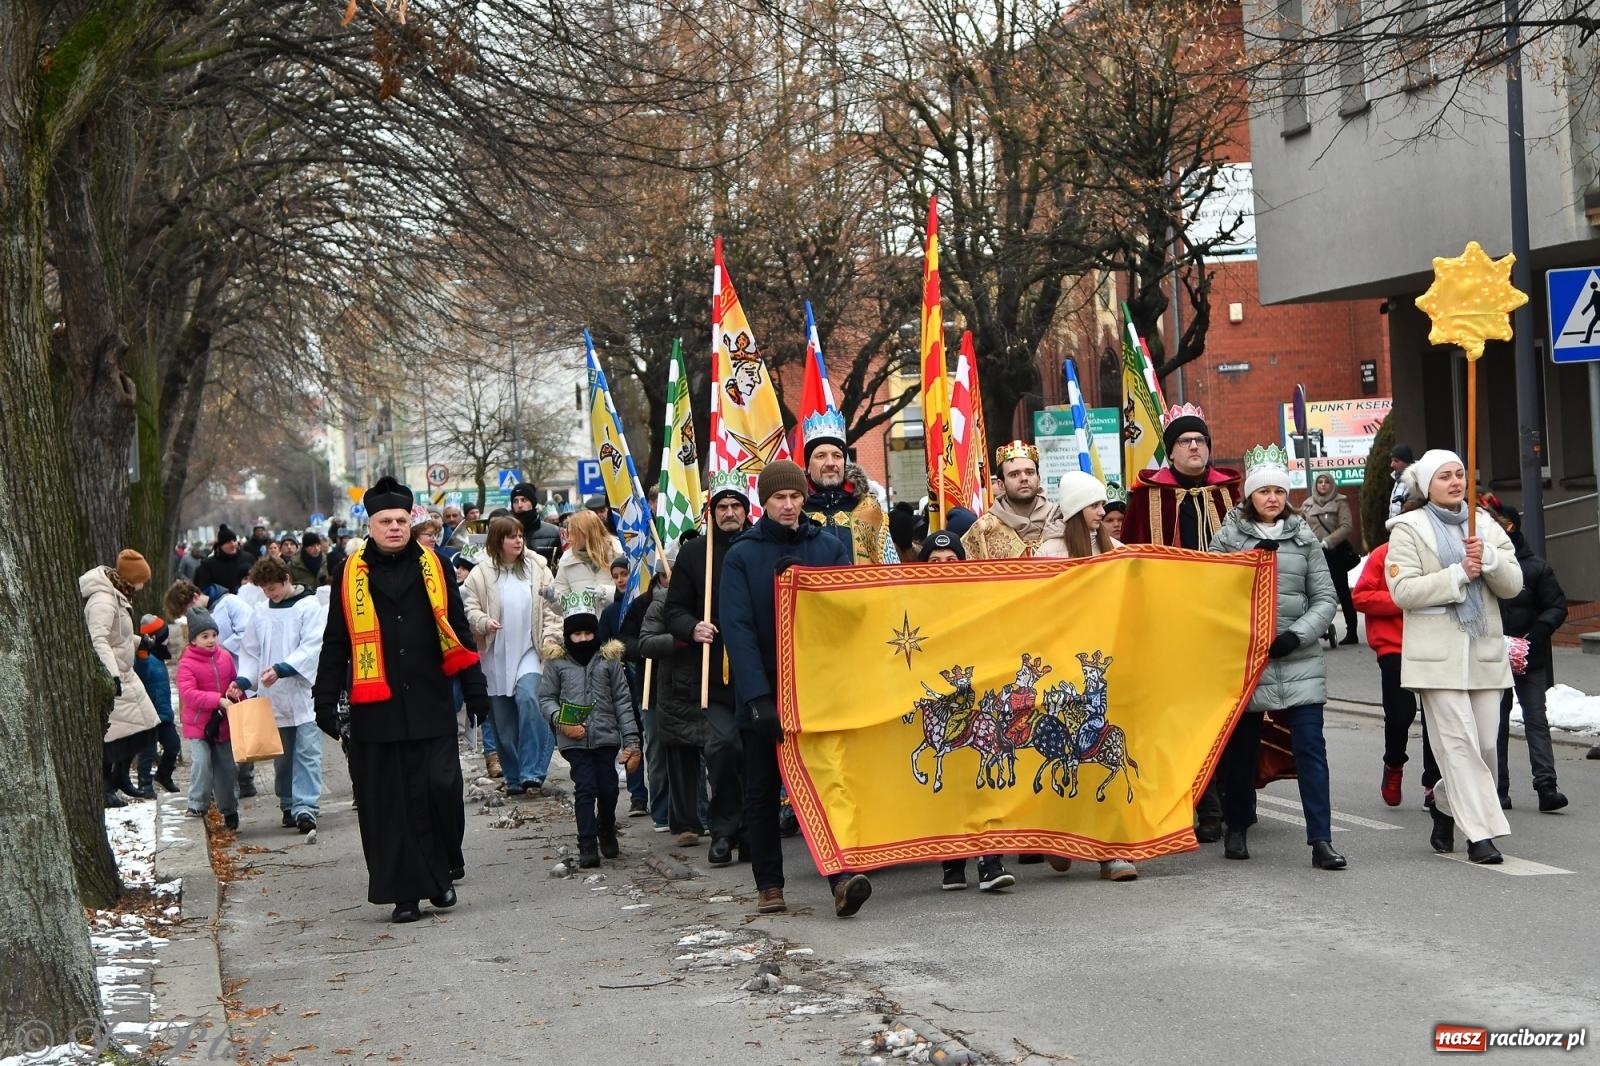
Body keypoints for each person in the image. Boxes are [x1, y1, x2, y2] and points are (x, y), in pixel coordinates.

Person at [313, 476, 490, 923]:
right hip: (378, 708)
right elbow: (336, 639)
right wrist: (324, 697)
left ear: (410, 522)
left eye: (400, 520)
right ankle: (405, 894)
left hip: (430, 701)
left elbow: (458, 629)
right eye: (385, 521)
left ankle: (443, 870)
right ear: (370, 526)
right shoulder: (349, 573)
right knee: (389, 805)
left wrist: (475, 688)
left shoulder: (435, 565)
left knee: (440, 789)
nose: (394, 527)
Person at [720, 460, 866, 917]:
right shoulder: (741, 555)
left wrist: (809, 583)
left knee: (828, 783)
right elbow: (738, 629)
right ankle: (769, 884)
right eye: (779, 497)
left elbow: (852, 611)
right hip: (764, 689)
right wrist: (757, 697)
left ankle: (841, 877)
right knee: (762, 790)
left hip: (816, 687)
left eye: (795, 496)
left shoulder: (828, 546)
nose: (788, 505)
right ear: (764, 502)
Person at [1208, 445, 1346, 871]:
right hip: (1249, 662)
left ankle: (1321, 840)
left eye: (1279, 491)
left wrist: (1297, 635)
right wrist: (1246, 634)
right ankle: (1236, 826)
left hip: (1298, 658)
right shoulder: (1228, 539)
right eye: (1264, 491)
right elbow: (1210, 597)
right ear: (1250, 495)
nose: (1272, 498)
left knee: (1311, 750)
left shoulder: (1304, 539)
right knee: (1242, 752)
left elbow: (1325, 598)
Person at [1386, 449, 1522, 865]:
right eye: (1444, 476)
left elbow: (1513, 585)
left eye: (1459, 474)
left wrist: (1490, 559)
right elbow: (1403, 591)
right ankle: (1480, 836)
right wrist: (1458, 573)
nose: (1455, 482)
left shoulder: (1485, 525)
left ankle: (1444, 805)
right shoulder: (1409, 528)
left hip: (1483, 652)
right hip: (1436, 659)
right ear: (1428, 485)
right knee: (1459, 744)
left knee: (1485, 747)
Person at [1121, 404, 1241, 843]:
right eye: (1185, 442)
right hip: (1169, 629)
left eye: (1200, 441)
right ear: (1170, 453)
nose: (1194, 447)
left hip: (1222, 626)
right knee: (1180, 718)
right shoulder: (1146, 498)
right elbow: (1129, 562)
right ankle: (1201, 803)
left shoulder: (1230, 495)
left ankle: (1231, 799)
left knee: (1224, 714)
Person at [1044, 472, 1141, 882]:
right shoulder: (1048, 554)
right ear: (1075, 510)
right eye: (1095, 505)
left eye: (1102, 504)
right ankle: (1059, 838)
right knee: (1063, 754)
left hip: (1106, 669)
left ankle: (1111, 852)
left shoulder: (1114, 550)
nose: (1103, 512)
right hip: (1063, 673)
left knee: (1105, 755)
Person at [920, 530, 1016, 893]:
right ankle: (952, 861)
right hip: (937, 708)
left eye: (951, 560)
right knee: (949, 786)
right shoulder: (909, 608)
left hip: (974, 704)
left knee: (983, 780)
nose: (944, 567)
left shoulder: (982, 602)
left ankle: (990, 860)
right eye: (935, 562)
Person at [666, 471, 752, 866]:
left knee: (755, 753)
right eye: (723, 506)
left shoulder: (759, 546)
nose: (729, 513)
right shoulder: (694, 553)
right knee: (723, 748)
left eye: (736, 506)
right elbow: (674, 609)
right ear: (712, 512)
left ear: (746, 510)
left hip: (758, 672)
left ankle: (751, 830)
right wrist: (691, 627)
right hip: (714, 676)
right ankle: (723, 829)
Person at [540, 591, 642, 868]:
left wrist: (632, 742)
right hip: (573, 739)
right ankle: (586, 841)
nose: (583, 639)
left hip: (605, 736)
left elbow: (623, 701)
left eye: (588, 633)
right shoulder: (557, 663)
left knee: (608, 788)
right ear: (568, 635)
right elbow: (546, 697)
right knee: (585, 787)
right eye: (577, 634)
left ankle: (605, 828)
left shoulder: (609, 662)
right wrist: (561, 720)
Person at [461, 515, 560, 797]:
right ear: (497, 541)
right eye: (511, 536)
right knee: (502, 722)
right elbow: (469, 608)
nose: (518, 541)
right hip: (495, 652)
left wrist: (551, 639)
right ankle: (515, 777)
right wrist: (483, 622)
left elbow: (553, 608)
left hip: (531, 648)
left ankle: (533, 772)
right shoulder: (480, 574)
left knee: (529, 699)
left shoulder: (538, 567)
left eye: (520, 535)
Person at [235, 556, 327, 834]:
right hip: (273, 694)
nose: (269, 594)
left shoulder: (309, 607)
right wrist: (243, 680)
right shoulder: (261, 612)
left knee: (308, 752)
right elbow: (251, 651)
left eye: (273, 588)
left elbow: (313, 645)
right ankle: (288, 802)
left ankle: (306, 807)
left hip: (303, 692)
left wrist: (283, 668)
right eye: (264, 590)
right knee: (283, 755)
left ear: (286, 579)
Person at [1488, 502, 1569, 813]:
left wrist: (1536, 634)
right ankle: (1498, 790)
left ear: (1514, 527)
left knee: (1536, 720)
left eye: (1505, 525)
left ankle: (1547, 787)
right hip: (1494, 656)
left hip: (1530, 657)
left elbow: (1556, 606)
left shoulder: (1535, 567)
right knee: (1495, 724)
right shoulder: (1486, 564)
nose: (1501, 531)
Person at [1352, 541, 1440, 808]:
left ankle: (1434, 785)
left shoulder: (1436, 550)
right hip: (1393, 646)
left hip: (1434, 645)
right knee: (1401, 714)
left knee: (1437, 716)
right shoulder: (1383, 554)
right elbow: (1361, 597)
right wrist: (1403, 599)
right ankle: (1393, 764)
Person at [83, 550, 162, 808]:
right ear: (131, 578)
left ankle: (121, 777)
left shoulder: (117, 596)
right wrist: (112, 675)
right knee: (115, 737)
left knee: (144, 728)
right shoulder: (103, 601)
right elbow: (98, 639)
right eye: (142, 580)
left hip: (126, 673)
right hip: (115, 675)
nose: (143, 585)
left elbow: (120, 637)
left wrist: (142, 643)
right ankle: (107, 787)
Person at [800, 405, 897, 563]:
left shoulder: (869, 509)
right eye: (821, 456)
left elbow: (890, 567)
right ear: (808, 466)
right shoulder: (794, 511)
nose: (830, 463)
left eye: (837, 456)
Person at [175, 608, 243, 829]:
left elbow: (233, 682)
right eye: (205, 636)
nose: (211, 640)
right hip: (198, 725)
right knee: (202, 763)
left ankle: (229, 809)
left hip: (222, 724)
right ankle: (197, 804)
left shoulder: (225, 657)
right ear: (193, 640)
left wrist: (235, 693)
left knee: (227, 769)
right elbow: (189, 694)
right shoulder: (187, 663)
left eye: (214, 635)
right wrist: (218, 700)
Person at [960, 441, 1067, 559]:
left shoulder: (1061, 519)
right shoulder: (983, 529)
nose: (1024, 478)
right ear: (1001, 484)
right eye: (1014, 474)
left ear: (1039, 479)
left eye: (1030, 472)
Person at [1301, 473, 1361, 647]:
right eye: (1320, 482)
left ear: (1332, 484)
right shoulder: (1307, 504)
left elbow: (1346, 526)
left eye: (1327, 482)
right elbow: (1301, 526)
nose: (1323, 485)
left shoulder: (1340, 502)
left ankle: (1352, 632)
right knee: (1313, 591)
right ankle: (1314, 628)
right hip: (1313, 553)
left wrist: (1328, 541)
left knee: (1341, 591)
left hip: (1334, 552)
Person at [134, 615, 181, 795]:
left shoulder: (159, 656)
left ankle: (163, 775)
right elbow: (142, 674)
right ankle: (144, 784)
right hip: (150, 713)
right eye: (165, 635)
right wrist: (142, 655)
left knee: (173, 745)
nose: (168, 639)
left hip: (163, 712)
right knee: (148, 751)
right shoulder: (144, 657)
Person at [553, 509, 623, 603]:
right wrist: (553, 598)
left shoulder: (618, 553)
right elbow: (563, 604)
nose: (569, 539)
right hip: (584, 613)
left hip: (615, 612)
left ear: (586, 533)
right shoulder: (567, 560)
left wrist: (606, 593)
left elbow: (632, 591)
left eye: (573, 534)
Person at [194, 524, 253, 594]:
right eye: (228, 542)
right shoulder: (209, 565)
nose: (233, 544)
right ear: (221, 545)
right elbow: (205, 588)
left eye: (234, 541)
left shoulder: (248, 558)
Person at [1388, 444, 1415, 519]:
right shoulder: (1397, 480)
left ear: (1407, 462)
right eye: (1392, 461)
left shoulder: (1415, 481)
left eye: (1396, 461)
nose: (1392, 465)